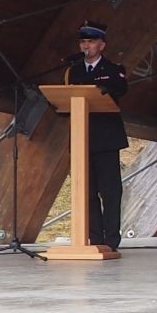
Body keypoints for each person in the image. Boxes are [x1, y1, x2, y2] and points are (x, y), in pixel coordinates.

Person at [66, 20, 128, 252]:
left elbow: (120, 89)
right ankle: (94, 239)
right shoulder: (74, 71)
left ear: (102, 45)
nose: (86, 46)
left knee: (110, 192)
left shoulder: (113, 69)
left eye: (91, 42)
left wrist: (100, 90)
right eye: (83, 42)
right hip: (82, 138)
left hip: (106, 138)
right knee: (87, 191)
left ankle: (110, 240)